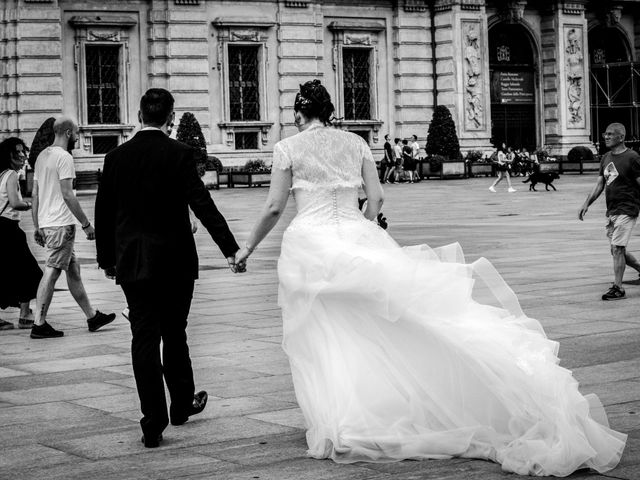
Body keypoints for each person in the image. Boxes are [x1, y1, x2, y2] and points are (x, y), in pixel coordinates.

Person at [234, 79, 626, 476]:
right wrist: (361, 229)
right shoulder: (354, 144)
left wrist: (246, 249)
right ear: (330, 110)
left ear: (300, 112)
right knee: (394, 320)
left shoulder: (288, 148)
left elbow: (273, 207)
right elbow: (377, 198)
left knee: (326, 332)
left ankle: (347, 416)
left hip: (311, 247)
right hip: (357, 236)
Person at [95, 88, 242, 448]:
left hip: (133, 261)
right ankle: (180, 405)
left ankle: (152, 420)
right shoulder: (179, 154)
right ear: (171, 117)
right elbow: (202, 204)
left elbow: (104, 213)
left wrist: (107, 260)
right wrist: (231, 249)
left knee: (143, 337)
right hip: (175, 262)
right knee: (175, 333)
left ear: (139, 115)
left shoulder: (115, 157)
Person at [30, 116, 116, 339]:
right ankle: (39, 323)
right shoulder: (64, 157)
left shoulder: (42, 157)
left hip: (49, 223)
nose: (78, 137)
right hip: (62, 224)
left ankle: (92, 316)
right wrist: (86, 224)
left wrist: (38, 225)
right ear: (68, 133)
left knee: (74, 270)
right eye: (77, 133)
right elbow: (68, 194)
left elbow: (35, 194)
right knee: (52, 270)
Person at [579, 122, 640, 300]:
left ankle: (618, 288)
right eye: (605, 134)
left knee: (618, 248)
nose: (606, 137)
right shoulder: (606, 157)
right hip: (612, 210)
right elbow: (600, 184)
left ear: (621, 137)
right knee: (615, 250)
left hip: (627, 208)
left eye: (610, 134)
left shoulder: (632, 157)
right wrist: (586, 203)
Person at [0, 138, 41, 330]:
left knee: (5, 270)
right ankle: (25, 315)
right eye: (19, 152)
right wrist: (30, 205)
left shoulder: (1, 175)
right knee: (28, 269)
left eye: (23, 151)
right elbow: (16, 202)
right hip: (8, 229)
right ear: (9, 155)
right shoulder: (11, 175)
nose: (23, 155)